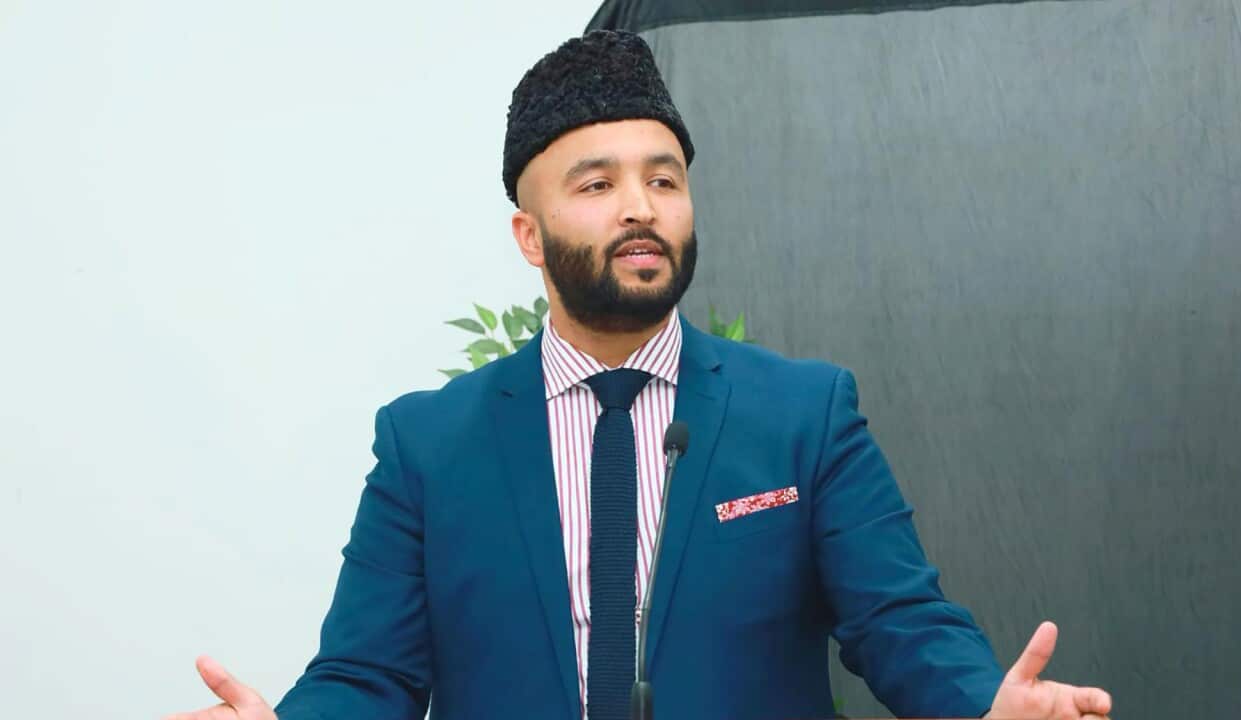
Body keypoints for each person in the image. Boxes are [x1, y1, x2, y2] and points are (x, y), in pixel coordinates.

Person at [165, 30, 1113, 720]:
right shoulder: (428, 443)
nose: (641, 207)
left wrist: (982, 704)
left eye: (664, 180)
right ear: (529, 236)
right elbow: (367, 675)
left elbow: (900, 621)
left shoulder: (804, 414)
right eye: (597, 184)